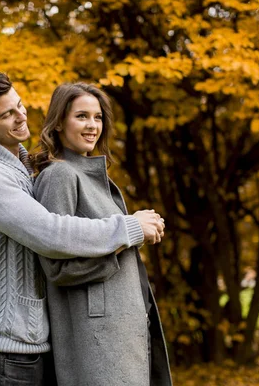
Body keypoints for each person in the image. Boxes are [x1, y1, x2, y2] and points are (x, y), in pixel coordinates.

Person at [0, 70, 166, 386]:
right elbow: (52, 234)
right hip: (12, 349)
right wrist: (130, 228)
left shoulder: (26, 169)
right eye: (7, 114)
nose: (20, 117)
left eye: (20, 106)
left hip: (42, 340)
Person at [32, 82, 173, 386]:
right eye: (81, 116)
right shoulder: (59, 176)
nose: (92, 125)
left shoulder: (93, 176)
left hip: (120, 335)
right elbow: (59, 268)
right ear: (58, 123)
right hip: (96, 343)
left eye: (98, 117)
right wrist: (131, 234)